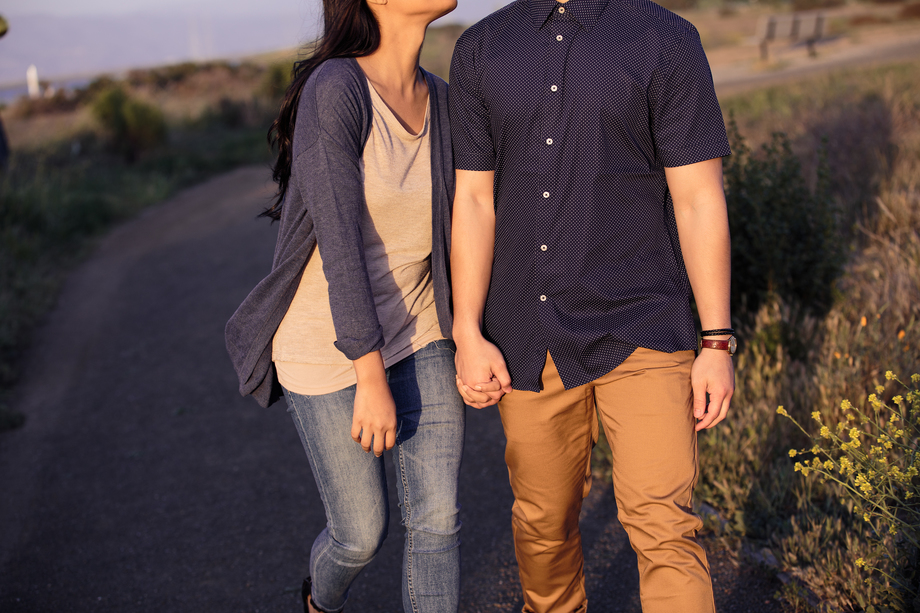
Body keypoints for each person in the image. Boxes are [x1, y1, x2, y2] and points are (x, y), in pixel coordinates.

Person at [448, 0, 735, 611]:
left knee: (664, 525)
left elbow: (699, 197)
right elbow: (474, 199)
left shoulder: (665, 39)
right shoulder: (481, 49)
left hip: (645, 322)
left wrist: (716, 341)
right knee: (542, 524)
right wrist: (467, 330)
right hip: (529, 330)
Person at [224, 0, 464, 608]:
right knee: (361, 534)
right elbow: (339, 245)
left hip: (421, 328)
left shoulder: (444, 98)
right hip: (330, 345)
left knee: (437, 525)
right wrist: (369, 371)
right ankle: (318, 601)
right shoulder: (337, 90)